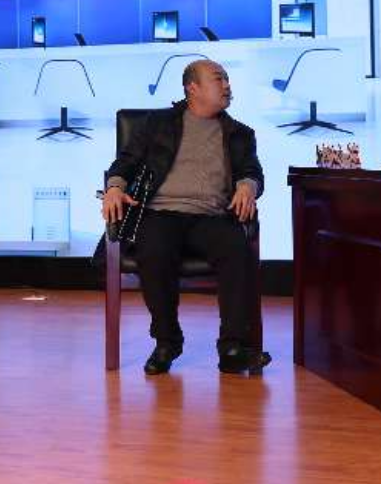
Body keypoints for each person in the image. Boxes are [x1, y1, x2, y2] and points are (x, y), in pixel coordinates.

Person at [102, 59, 269, 376]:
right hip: (161, 212)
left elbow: (252, 171)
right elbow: (125, 162)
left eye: (227, 79)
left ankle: (232, 348)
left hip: (212, 216)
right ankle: (167, 341)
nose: (227, 85)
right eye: (219, 79)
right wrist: (114, 188)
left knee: (236, 247)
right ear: (193, 88)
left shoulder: (240, 133)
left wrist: (248, 186)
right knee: (154, 248)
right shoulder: (157, 123)